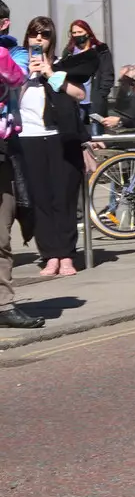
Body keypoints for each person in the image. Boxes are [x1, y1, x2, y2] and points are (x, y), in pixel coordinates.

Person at [17, 17, 89, 278]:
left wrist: (49, 74)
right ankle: (49, 256)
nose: (39, 39)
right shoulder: (17, 68)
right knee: (40, 200)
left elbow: (80, 94)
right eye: (34, 34)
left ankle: (67, 255)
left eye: (45, 35)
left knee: (63, 199)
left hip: (60, 138)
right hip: (28, 138)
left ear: (52, 39)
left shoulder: (61, 66)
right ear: (27, 37)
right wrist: (26, 77)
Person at [0, 29, 37, 327]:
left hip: (3, 153)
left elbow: (17, 77)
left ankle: (3, 305)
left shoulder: (10, 54)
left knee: (1, 236)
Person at [57, 19, 113, 129]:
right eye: (74, 33)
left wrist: (102, 94)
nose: (77, 35)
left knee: (96, 134)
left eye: (80, 32)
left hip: (94, 100)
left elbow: (108, 73)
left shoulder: (101, 50)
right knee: (78, 133)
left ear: (87, 32)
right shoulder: (69, 52)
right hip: (77, 101)